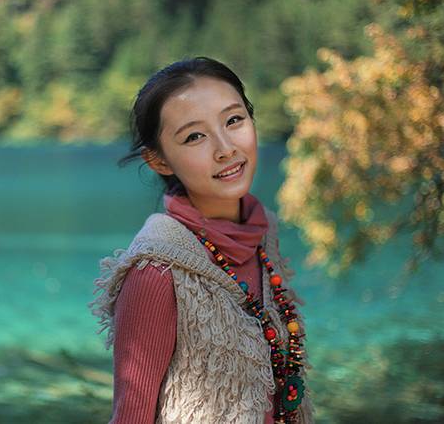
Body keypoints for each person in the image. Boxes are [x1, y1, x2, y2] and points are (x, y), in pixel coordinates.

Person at [89, 57, 315, 424]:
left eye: (234, 120)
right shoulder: (157, 270)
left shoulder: (261, 234)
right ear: (159, 161)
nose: (226, 148)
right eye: (195, 136)